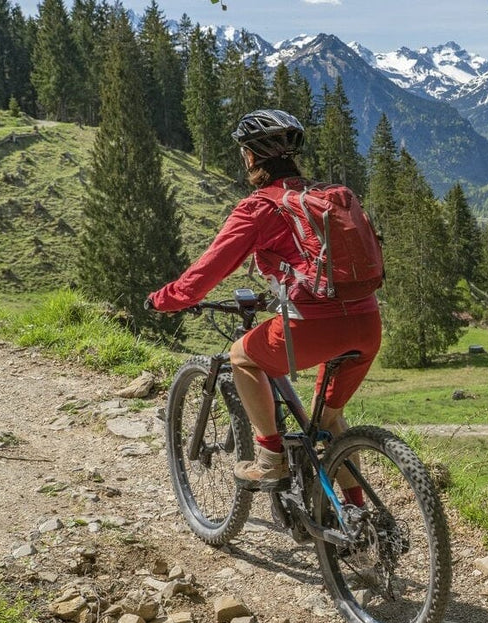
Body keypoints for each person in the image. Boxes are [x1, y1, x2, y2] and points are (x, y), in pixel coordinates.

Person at [147, 109, 380, 498]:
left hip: (313, 326)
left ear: (251, 157)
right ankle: (361, 518)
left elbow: (207, 272)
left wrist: (164, 300)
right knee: (328, 422)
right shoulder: (329, 197)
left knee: (243, 357)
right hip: (367, 321)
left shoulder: (259, 207)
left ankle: (270, 460)